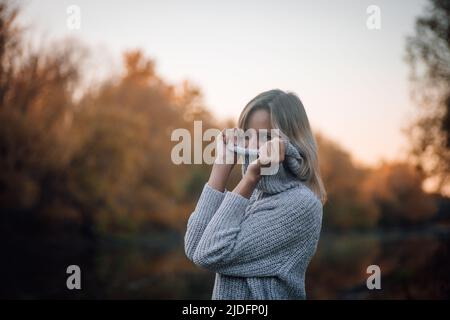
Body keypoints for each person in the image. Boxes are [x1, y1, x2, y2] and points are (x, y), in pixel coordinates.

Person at [184, 89, 327, 299]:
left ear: (291, 141)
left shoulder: (302, 204)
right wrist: (221, 167)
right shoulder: (250, 195)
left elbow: (208, 254)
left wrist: (250, 178)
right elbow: (194, 247)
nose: (253, 146)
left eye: (267, 137)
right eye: (248, 136)